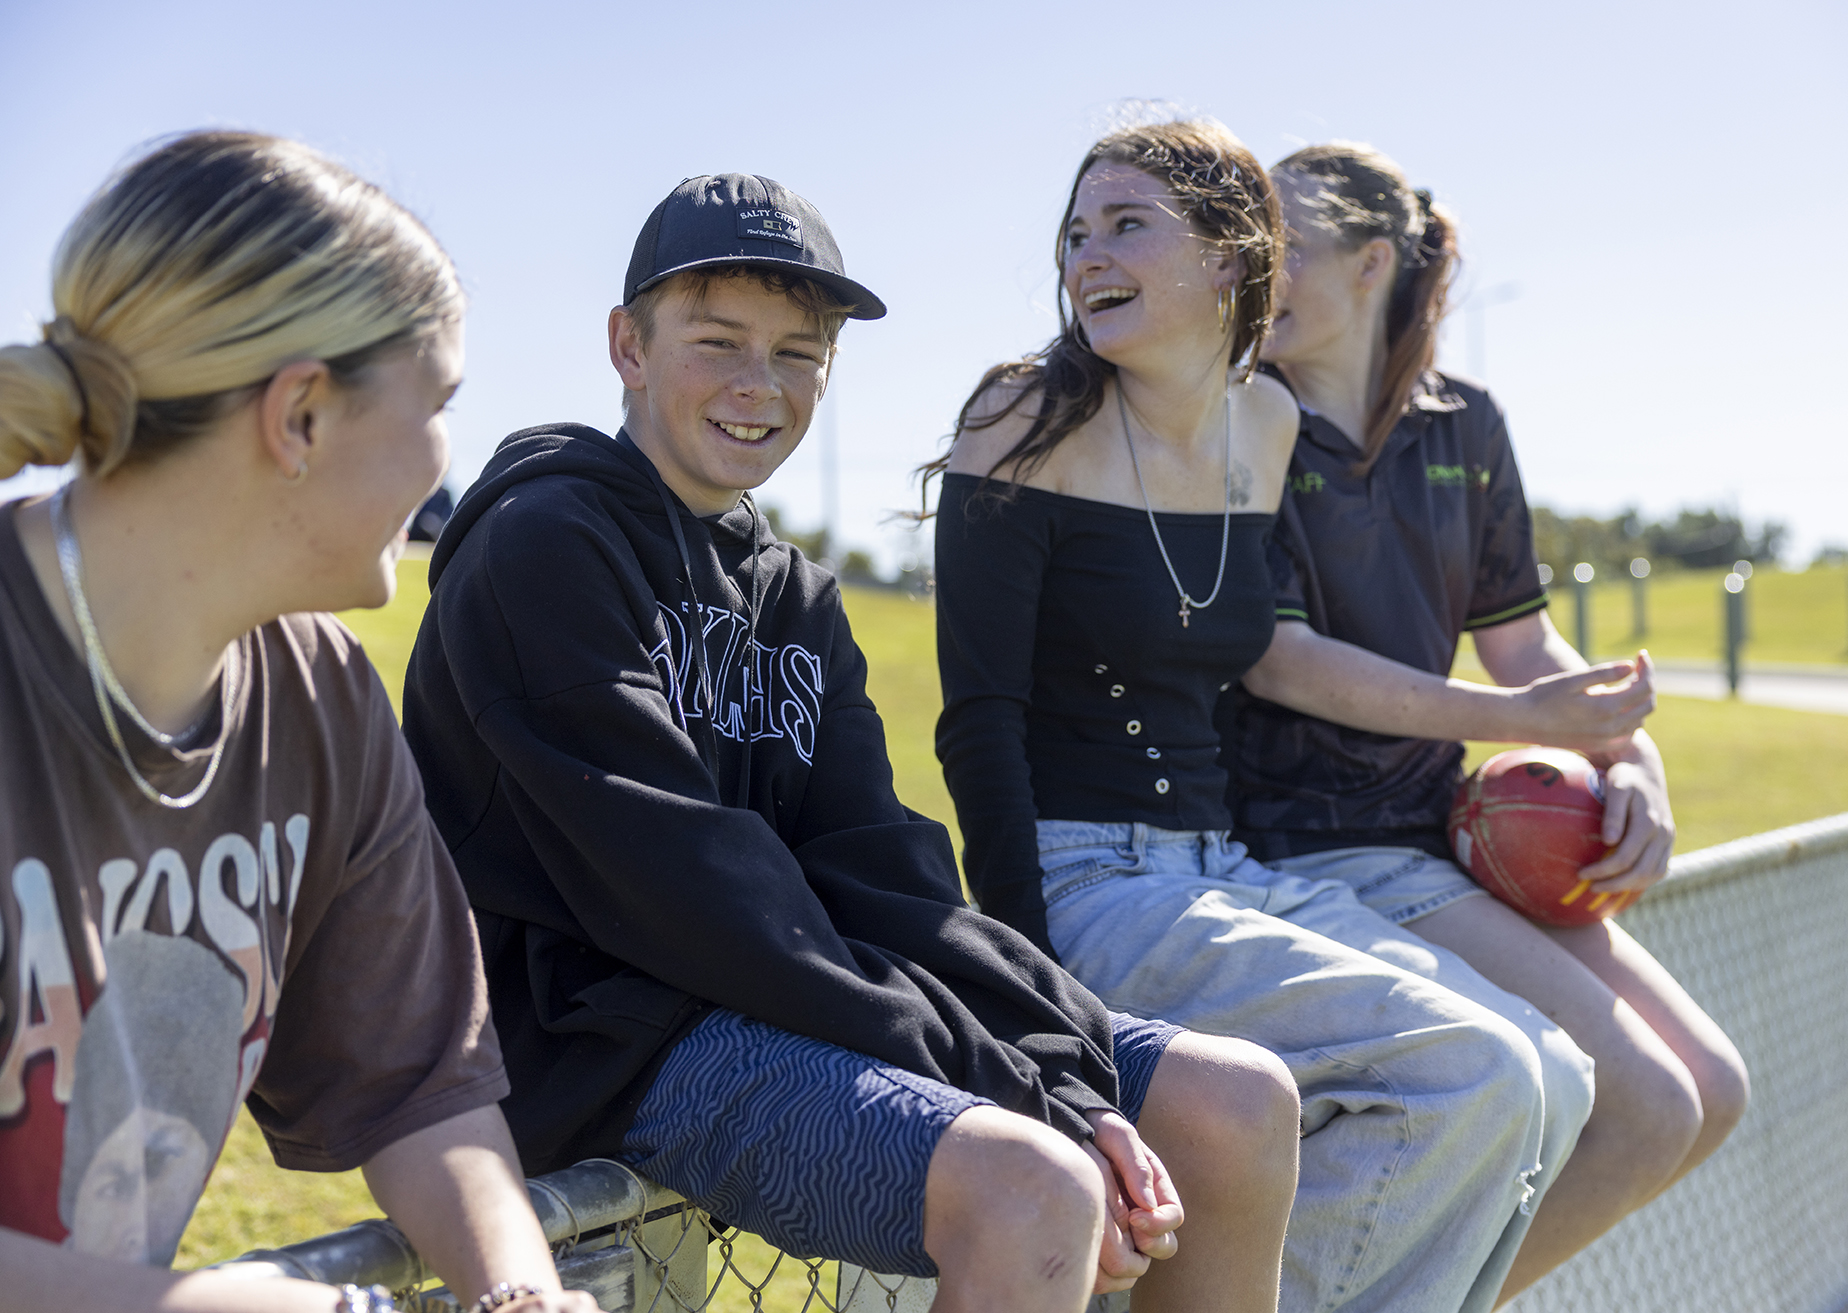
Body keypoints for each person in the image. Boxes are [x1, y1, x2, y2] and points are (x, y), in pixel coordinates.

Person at [400, 172, 1300, 1313]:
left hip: (766, 991)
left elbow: (879, 865)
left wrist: (1055, 1057)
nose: (756, 384)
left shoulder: (794, 599)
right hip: (600, 1033)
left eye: (797, 353)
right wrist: (1012, 1088)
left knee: (1237, 1104)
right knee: (1031, 1184)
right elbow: (686, 883)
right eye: (716, 340)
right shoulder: (543, 544)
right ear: (627, 344)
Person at [931, 118, 1578, 1313]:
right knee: (1475, 1071)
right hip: (1085, 885)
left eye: (1127, 224)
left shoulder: (1264, 427)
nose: (1086, 255)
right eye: (1075, 232)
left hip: (1222, 870)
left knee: (1557, 1074)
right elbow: (977, 722)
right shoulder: (1021, 417)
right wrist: (1034, 993)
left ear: (1230, 258)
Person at [0, 133, 595, 1313]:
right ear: (303, 416)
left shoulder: (321, 699)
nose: (445, 461)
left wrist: (517, 1295)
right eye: (440, 403)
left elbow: (423, 1084)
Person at [1225, 141, 1750, 1300]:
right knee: (1646, 1104)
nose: (1255, 271)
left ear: (1372, 263)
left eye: (1286, 246)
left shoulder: (1464, 424)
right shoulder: (1235, 419)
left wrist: (1634, 761)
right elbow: (1278, 662)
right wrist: (1515, 712)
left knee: (1709, 1087)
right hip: (1307, 838)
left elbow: (1525, 647)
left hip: (1432, 833)